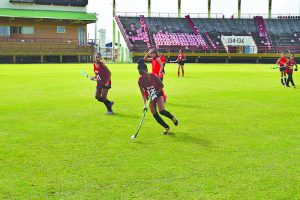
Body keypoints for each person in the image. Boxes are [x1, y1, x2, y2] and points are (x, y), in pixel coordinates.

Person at [137, 59, 178, 135]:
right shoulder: (140, 81)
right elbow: (143, 94)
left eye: (143, 73)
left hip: (159, 94)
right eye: (140, 73)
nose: (142, 75)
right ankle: (166, 128)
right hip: (149, 97)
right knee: (154, 114)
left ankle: (172, 118)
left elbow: (162, 86)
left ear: (146, 70)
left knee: (162, 111)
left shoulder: (153, 76)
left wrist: (155, 93)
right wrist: (144, 105)